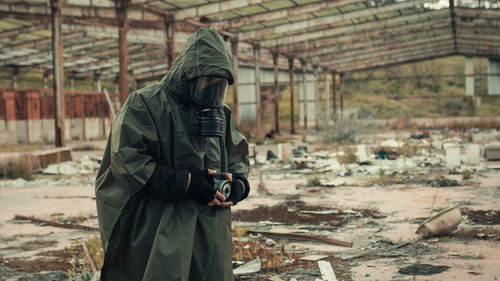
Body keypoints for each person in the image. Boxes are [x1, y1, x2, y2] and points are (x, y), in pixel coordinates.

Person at [95, 27, 250, 281]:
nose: (213, 95)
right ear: (189, 77)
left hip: (209, 229)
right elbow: (127, 162)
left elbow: (237, 153)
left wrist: (239, 184)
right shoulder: (145, 104)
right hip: (161, 229)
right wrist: (187, 182)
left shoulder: (221, 113)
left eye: (220, 86)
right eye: (207, 84)